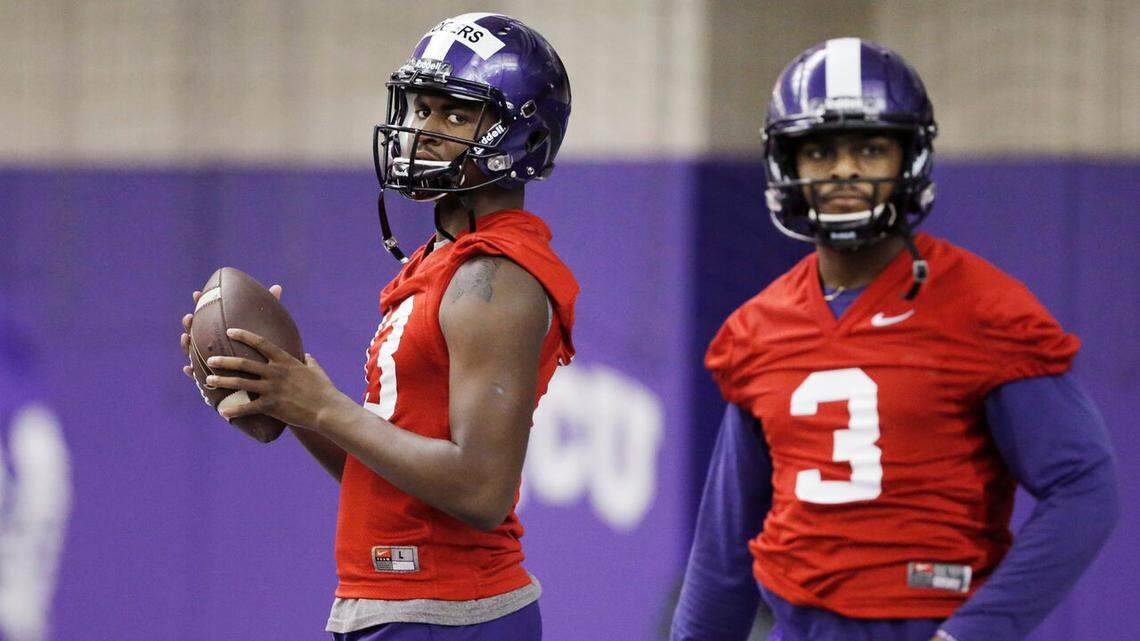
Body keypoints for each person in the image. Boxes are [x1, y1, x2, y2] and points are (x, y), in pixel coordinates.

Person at [670, 38, 1119, 641]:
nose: (845, 169)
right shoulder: (759, 328)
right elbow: (724, 546)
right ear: (787, 164)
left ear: (909, 157)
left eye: (871, 148)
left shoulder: (984, 309)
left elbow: (1084, 488)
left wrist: (974, 632)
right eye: (821, 150)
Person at [179, 13, 575, 641]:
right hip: (399, 603)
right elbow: (394, 474)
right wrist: (289, 394)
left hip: (449, 612)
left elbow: (479, 489)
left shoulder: (494, 278)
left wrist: (328, 407)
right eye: (421, 107)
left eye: (453, 114)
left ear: (518, 136)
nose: (422, 129)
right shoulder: (442, 262)